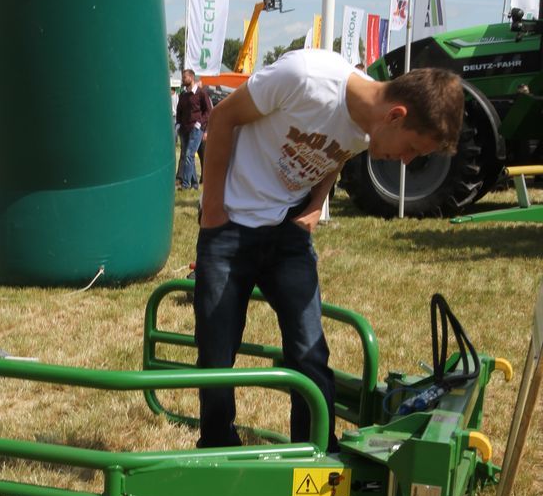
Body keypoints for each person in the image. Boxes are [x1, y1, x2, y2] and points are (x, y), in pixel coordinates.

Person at [194, 49, 463, 450]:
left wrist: (317, 205)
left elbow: (335, 157)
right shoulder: (304, 79)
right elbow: (222, 117)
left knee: (309, 349)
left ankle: (316, 447)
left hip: (287, 234)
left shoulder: (367, 128)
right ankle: (216, 446)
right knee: (217, 350)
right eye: (412, 149)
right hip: (230, 223)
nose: (406, 161)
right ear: (396, 115)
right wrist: (213, 209)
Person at [175, 68, 212, 190]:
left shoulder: (201, 93)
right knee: (187, 155)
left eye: (184, 77)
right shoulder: (183, 95)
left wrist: (200, 124)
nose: (182, 79)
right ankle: (195, 184)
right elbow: (179, 110)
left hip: (196, 129)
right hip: (184, 129)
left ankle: (185, 185)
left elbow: (208, 111)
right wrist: (178, 124)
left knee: (189, 155)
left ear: (191, 77)